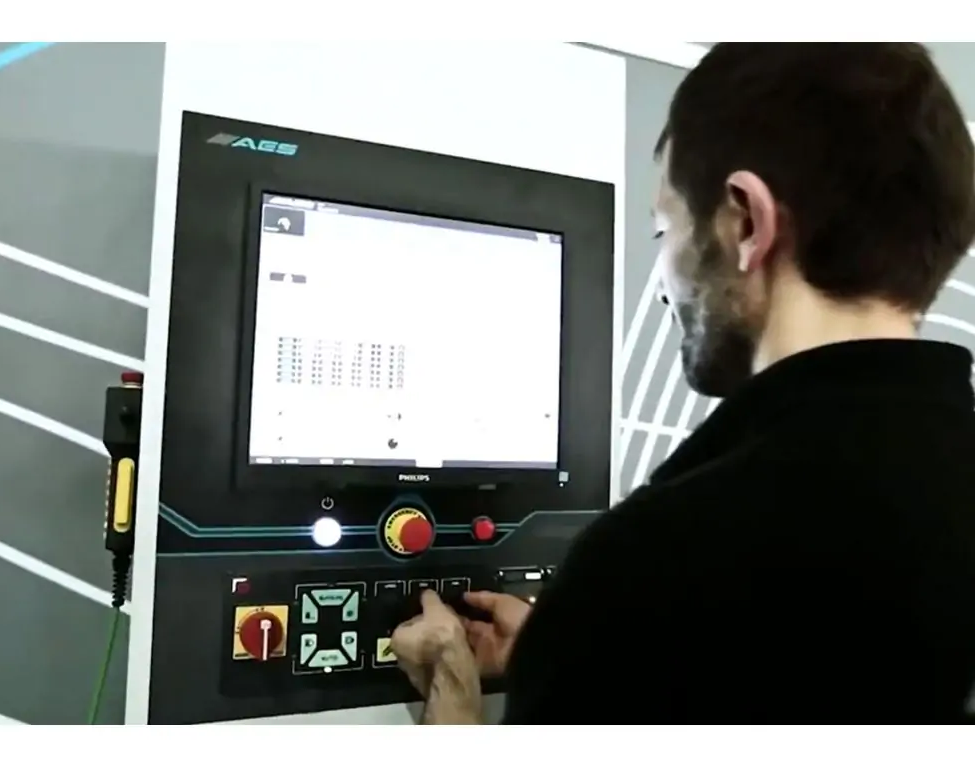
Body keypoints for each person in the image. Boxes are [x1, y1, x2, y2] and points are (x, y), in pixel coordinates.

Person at [391, 42, 975, 724]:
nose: (665, 283)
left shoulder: (653, 568)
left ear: (746, 222)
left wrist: (461, 695)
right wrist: (574, 660)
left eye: (665, 229)